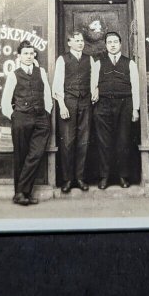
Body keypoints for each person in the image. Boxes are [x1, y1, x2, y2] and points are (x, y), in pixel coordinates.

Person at [1, 41, 53, 206]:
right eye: (25, 53)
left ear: (34, 55)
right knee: (21, 157)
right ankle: (22, 193)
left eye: (31, 53)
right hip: (22, 119)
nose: (29, 56)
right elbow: (5, 102)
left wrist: (47, 112)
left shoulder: (41, 72)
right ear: (19, 56)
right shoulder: (14, 74)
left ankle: (21, 192)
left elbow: (47, 95)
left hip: (41, 118)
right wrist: (15, 117)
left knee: (35, 155)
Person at [52, 31, 98, 193]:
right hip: (68, 103)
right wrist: (62, 105)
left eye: (81, 40)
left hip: (85, 102)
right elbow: (57, 83)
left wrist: (95, 90)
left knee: (84, 141)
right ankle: (67, 179)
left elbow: (93, 79)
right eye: (76, 40)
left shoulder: (89, 59)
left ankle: (80, 178)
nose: (80, 43)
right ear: (69, 43)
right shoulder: (62, 59)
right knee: (67, 142)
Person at [93, 31, 139, 189]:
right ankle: (104, 177)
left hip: (124, 104)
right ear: (106, 45)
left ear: (120, 44)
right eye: (109, 42)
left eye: (115, 42)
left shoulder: (130, 63)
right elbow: (93, 85)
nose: (112, 45)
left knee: (123, 141)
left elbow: (136, 87)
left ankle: (123, 176)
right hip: (103, 105)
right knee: (104, 143)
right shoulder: (98, 63)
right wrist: (95, 93)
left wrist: (135, 109)